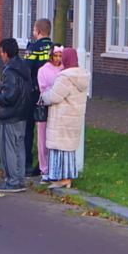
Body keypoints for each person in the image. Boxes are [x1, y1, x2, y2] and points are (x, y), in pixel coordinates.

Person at [41, 47, 90, 189]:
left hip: (62, 117)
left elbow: (54, 97)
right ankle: (67, 177)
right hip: (74, 117)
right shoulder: (82, 75)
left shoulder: (65, 76)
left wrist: (44, 94)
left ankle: (62, 178)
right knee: (68, 150)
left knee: (60, 149)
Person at [0, 38, 32, 193]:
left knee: (7, 148)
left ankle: (12, 181)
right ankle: (20, 179)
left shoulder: (9, 71)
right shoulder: (23, 67)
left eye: (1, 52)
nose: (1, 55)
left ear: (6, 53)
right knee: (19, 147)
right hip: (22, 114)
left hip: (9, 115)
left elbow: (9, 96)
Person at [24, 18, 53, 177]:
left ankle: (27, 162)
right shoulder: (55, 47)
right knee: (49, 128)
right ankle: (47, 163)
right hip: (53, 92)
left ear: (37, 31)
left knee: (29, 127)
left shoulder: (34, 48)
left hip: (35, 91)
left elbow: (26, 69)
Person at [35, 44, 64, 181]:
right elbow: (43, 88)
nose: (58, 59)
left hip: (60, 109)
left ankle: (56, 168)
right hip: (46, 107)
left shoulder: (65, 69)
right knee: (43, 138)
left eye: (60, 56)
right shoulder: (43, 70)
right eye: (55, 56)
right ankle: (44, 168)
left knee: (57, 139)